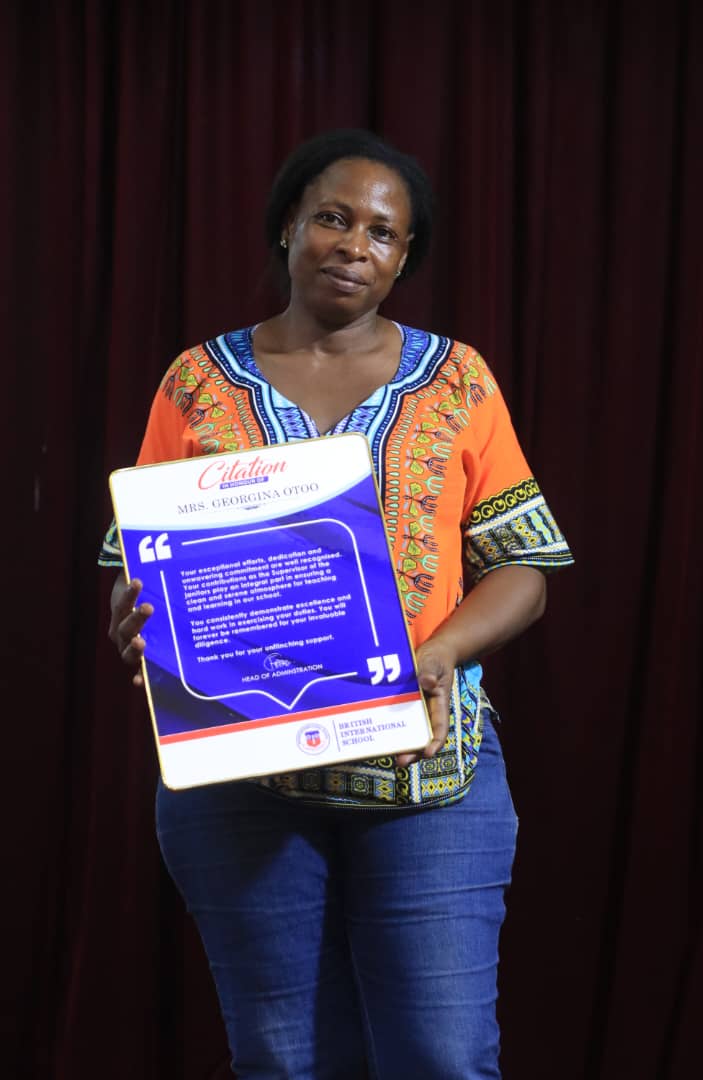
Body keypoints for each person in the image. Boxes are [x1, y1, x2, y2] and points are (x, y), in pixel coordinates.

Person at [100, 128, 573, 1079]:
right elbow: (142, 562)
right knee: (284, 1062)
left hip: (427, 779)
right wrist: (138, 616)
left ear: (404, 258)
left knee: (441, 1057)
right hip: (241, 785)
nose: (355, 245)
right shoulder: (196, 382)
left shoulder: (457, 380)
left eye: (383, 233)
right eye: (333, 217)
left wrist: (437, 656)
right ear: (287, 227)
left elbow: (524, 566)